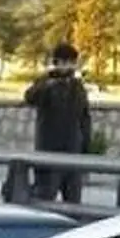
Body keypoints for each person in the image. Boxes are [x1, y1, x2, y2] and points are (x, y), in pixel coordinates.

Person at [23, 43, 92, 203]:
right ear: (58, 62)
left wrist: (86, 148)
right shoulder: (45, 82)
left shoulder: (77, 86)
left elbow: (84, 117)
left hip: (73, 150)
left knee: (73, 201)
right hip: (49, 150)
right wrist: (50, 84)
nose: (71, 67)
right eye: (67, 62)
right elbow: (29, 97)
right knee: (45, 197)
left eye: (73, 63)